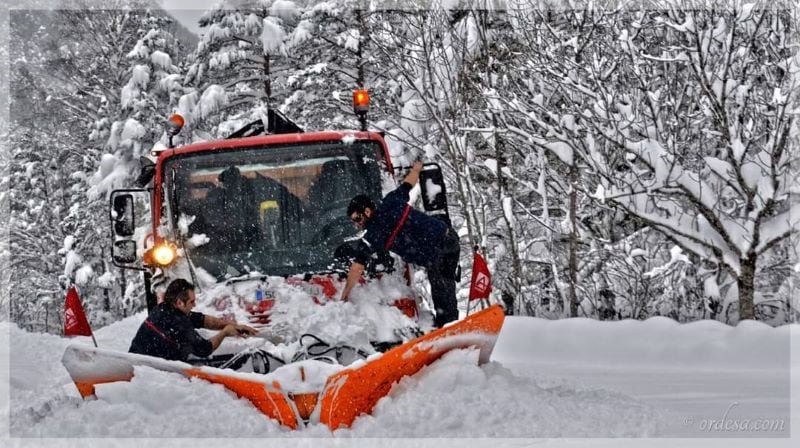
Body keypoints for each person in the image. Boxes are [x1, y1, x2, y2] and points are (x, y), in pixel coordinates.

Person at [341, 161, 460, 328]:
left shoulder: (373, 234)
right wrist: (417, 168)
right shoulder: (391, 201)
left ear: (367, 211)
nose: (357, 224)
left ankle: (452, 330)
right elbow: (408, 184)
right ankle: (450, 324)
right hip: (448, 238)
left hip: (439, 250)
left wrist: (345, 294)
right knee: (444, 288)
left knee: (442, 293)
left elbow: (357, 267)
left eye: (357, 219)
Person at [129, 279, 258, 362]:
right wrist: (225, 333)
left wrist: (233, 325)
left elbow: (202, 320)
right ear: (179, 302)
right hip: (146, 374)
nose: (194, 305)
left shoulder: (165, 309)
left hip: (141, 362)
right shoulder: (178, 323)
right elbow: (204, 349)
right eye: (192, 302)